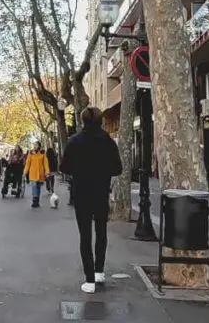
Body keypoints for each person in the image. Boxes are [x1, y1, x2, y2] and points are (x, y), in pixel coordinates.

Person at [60, 107, 122, 294]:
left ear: (83, 120)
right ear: (101, 121)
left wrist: (80, 170)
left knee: (85, 236)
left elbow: (64, 167)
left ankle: (89, 280)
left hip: (81, 193)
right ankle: (99, 271)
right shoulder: (108, 141)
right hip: (101, 192)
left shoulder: (74, 141)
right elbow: (117, 168)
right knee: (101, 232)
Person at [23, 142, 50, 208]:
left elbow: (45, 163)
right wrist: (25, 172)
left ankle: (37, 201)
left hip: (40, 173)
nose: (35, 146)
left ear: (39, 146)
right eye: (34, 145)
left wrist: (47, 172)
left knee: (38, 187)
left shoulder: (42, 153)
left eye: (36, 145)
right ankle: (34, 199)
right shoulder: (31, 153)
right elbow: (27, 163)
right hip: (33, 173)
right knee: (34, 185)